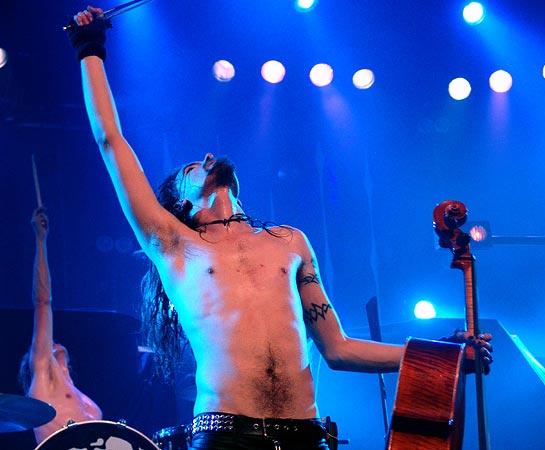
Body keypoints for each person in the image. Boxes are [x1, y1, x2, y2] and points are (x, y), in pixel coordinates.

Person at [66, 8, 492, 449]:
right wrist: (90, 48)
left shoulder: (290, 241)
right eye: (193, 168)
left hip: (303, 435)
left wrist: (441, 355)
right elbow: (111, 140)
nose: (207, 158)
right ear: (182, 204)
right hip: (226, 434)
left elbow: (339, 348)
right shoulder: (176, 244)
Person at [18, 207, 103, 445]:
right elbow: (42, 301)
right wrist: (40, 240)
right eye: (47, 343)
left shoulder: (76, 392)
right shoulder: (43, 376)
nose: (53, 342)